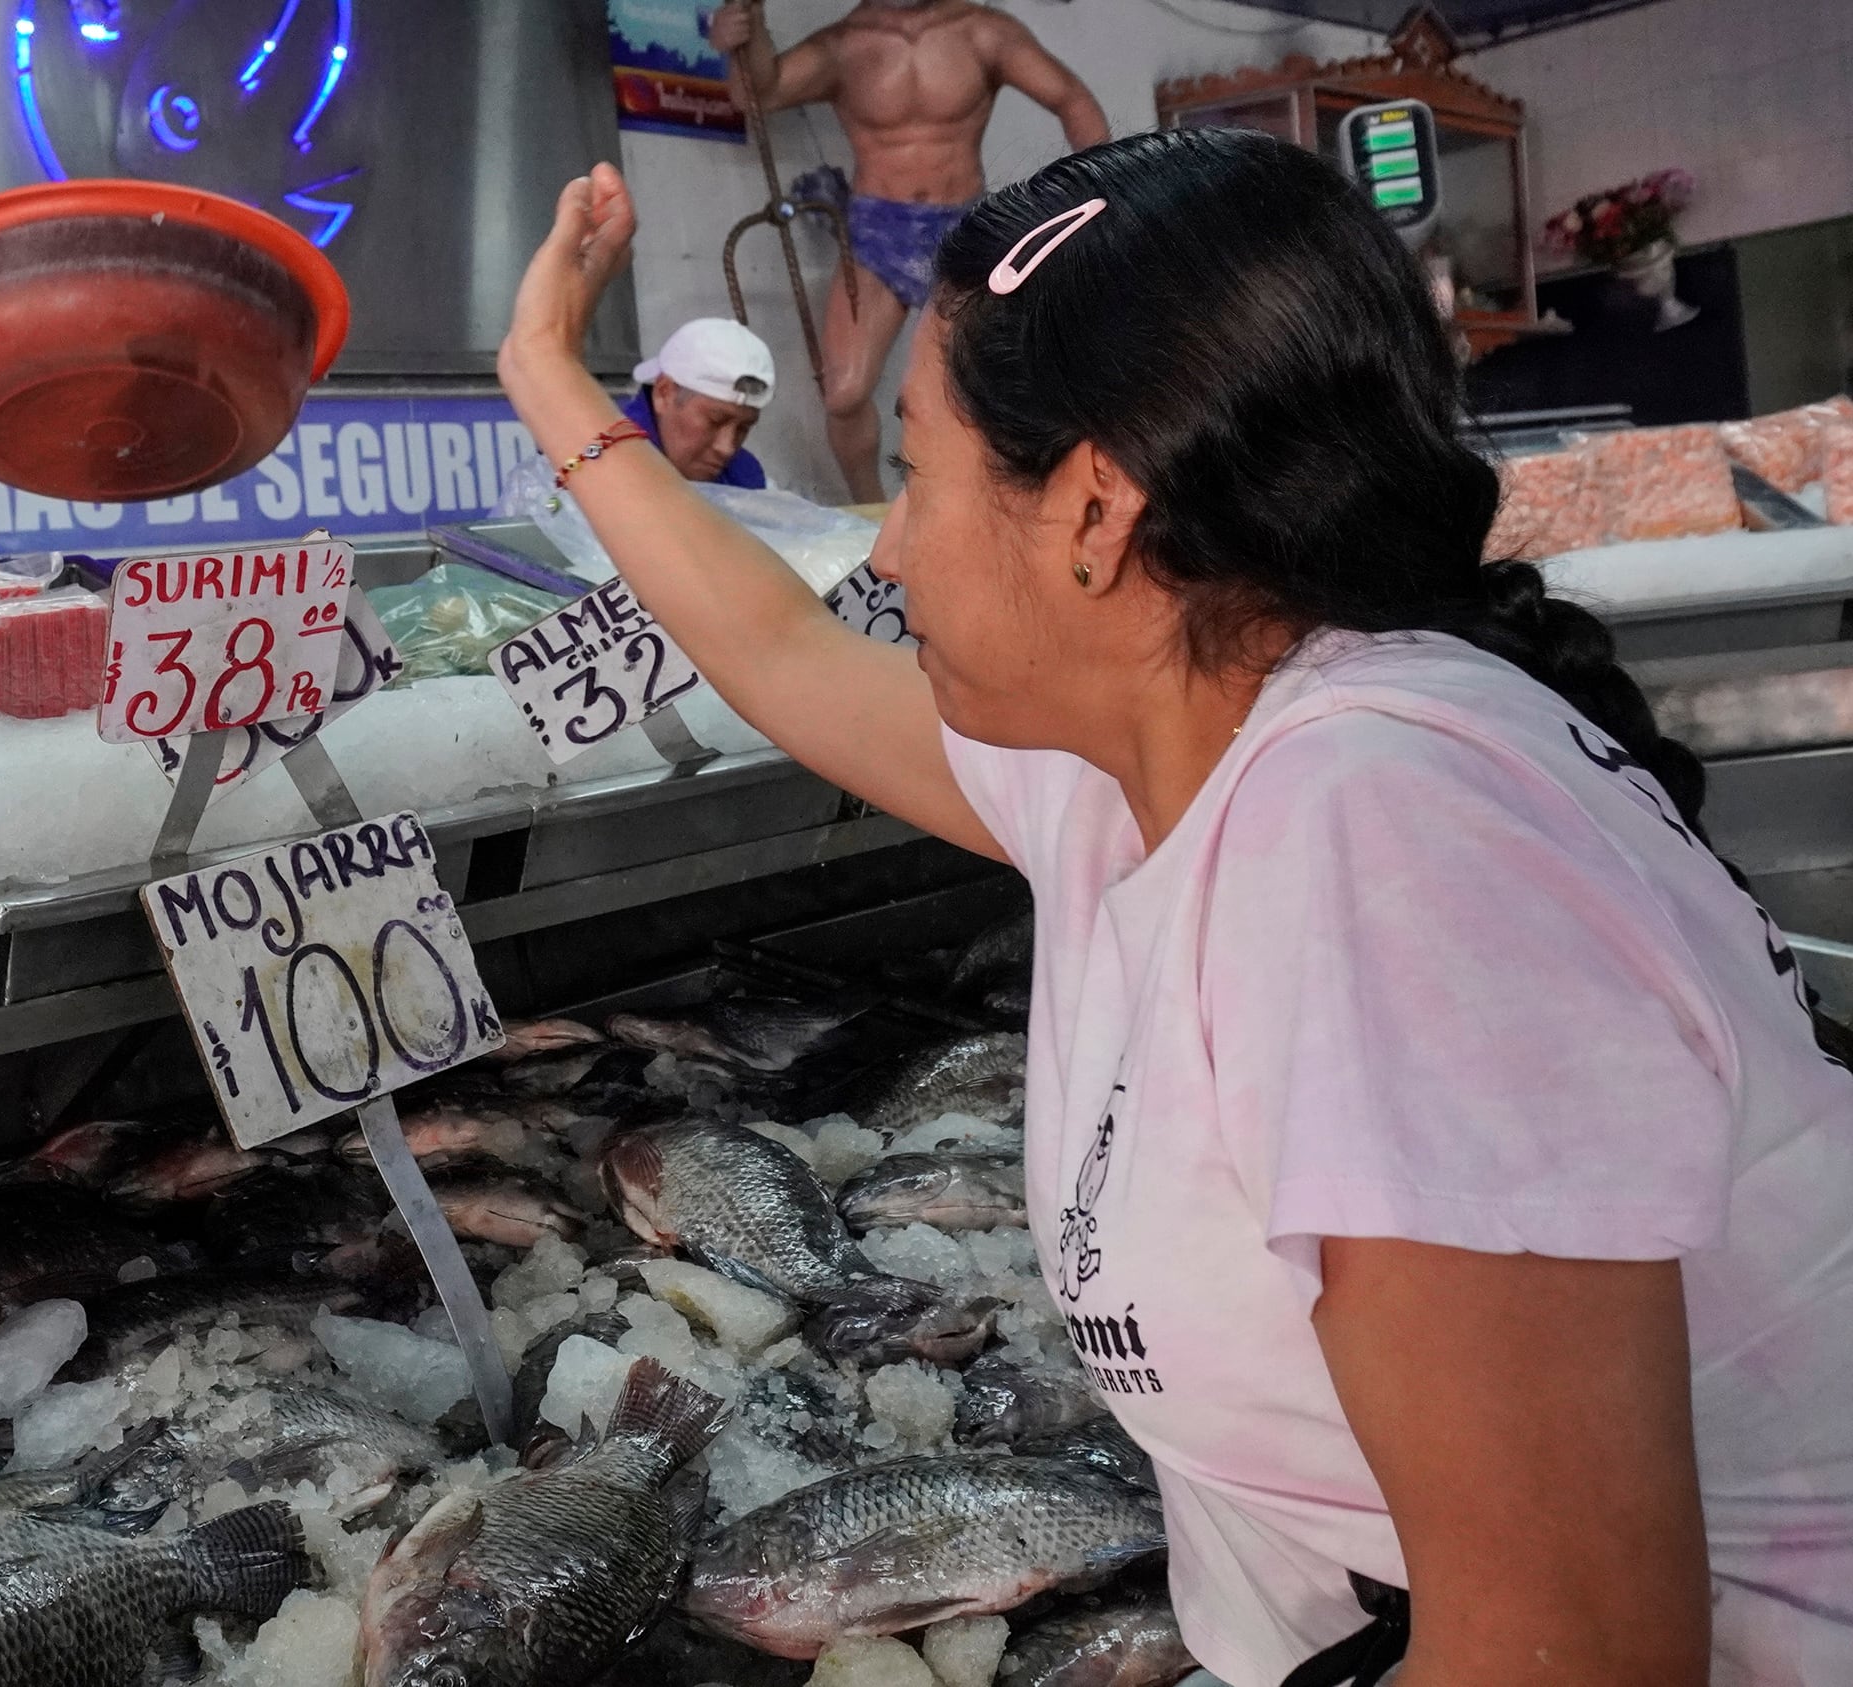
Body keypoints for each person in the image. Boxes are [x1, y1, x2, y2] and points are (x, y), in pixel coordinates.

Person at [498, 133, 1853, 1687]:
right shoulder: (1159, 749)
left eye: (919, 472)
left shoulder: (1376, 842)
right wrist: (548, 371)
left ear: (1093, 510)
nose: (886, 544)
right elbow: (791, 660)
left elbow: (1575, 1654)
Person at [709, 0, 1105, 502]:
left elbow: (1071, 98)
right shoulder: (845, 45)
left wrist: (1098, 195)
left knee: (994, 390)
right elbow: (757, 93)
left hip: (964, 228)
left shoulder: (981, 31)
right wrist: (745, 36)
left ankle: (999, 503)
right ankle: (869, 510)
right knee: (844, 393)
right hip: (878, 233)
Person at [624, 318, 776, 489]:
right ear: (664, 393)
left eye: (743, 428)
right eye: (715, 421)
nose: (726, 448)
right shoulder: (603, 466)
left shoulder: (745, 478)